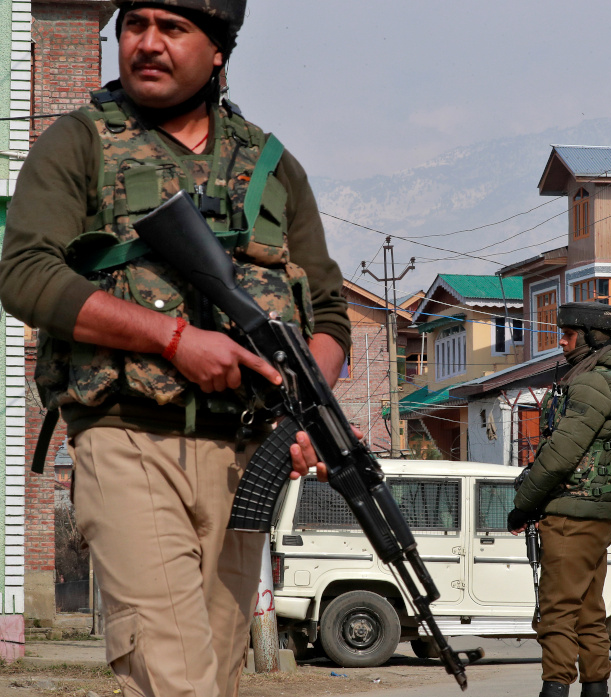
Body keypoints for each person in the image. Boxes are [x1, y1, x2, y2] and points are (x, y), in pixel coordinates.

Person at [0, 2, 350, 696]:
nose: (147, 44)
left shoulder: (272, 167)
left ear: (218, 50)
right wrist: (174, 339)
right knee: (178, 678)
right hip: (128, 439)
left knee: (214, 677)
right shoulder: (79, 143)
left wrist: (306, 407)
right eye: (136, 25)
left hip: (243, 458)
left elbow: (331, 316)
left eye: (173, 28)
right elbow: (25, 274)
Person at [506, 301, 611, 697]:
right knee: (587, 609)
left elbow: (561, 453)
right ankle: (595, 687)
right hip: (595, 512)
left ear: (590, 337)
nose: (561, 344)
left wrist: (524, 505)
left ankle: (556, 687)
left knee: (557, 609)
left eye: (567, 336)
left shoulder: (593, 383)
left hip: (572, 512)